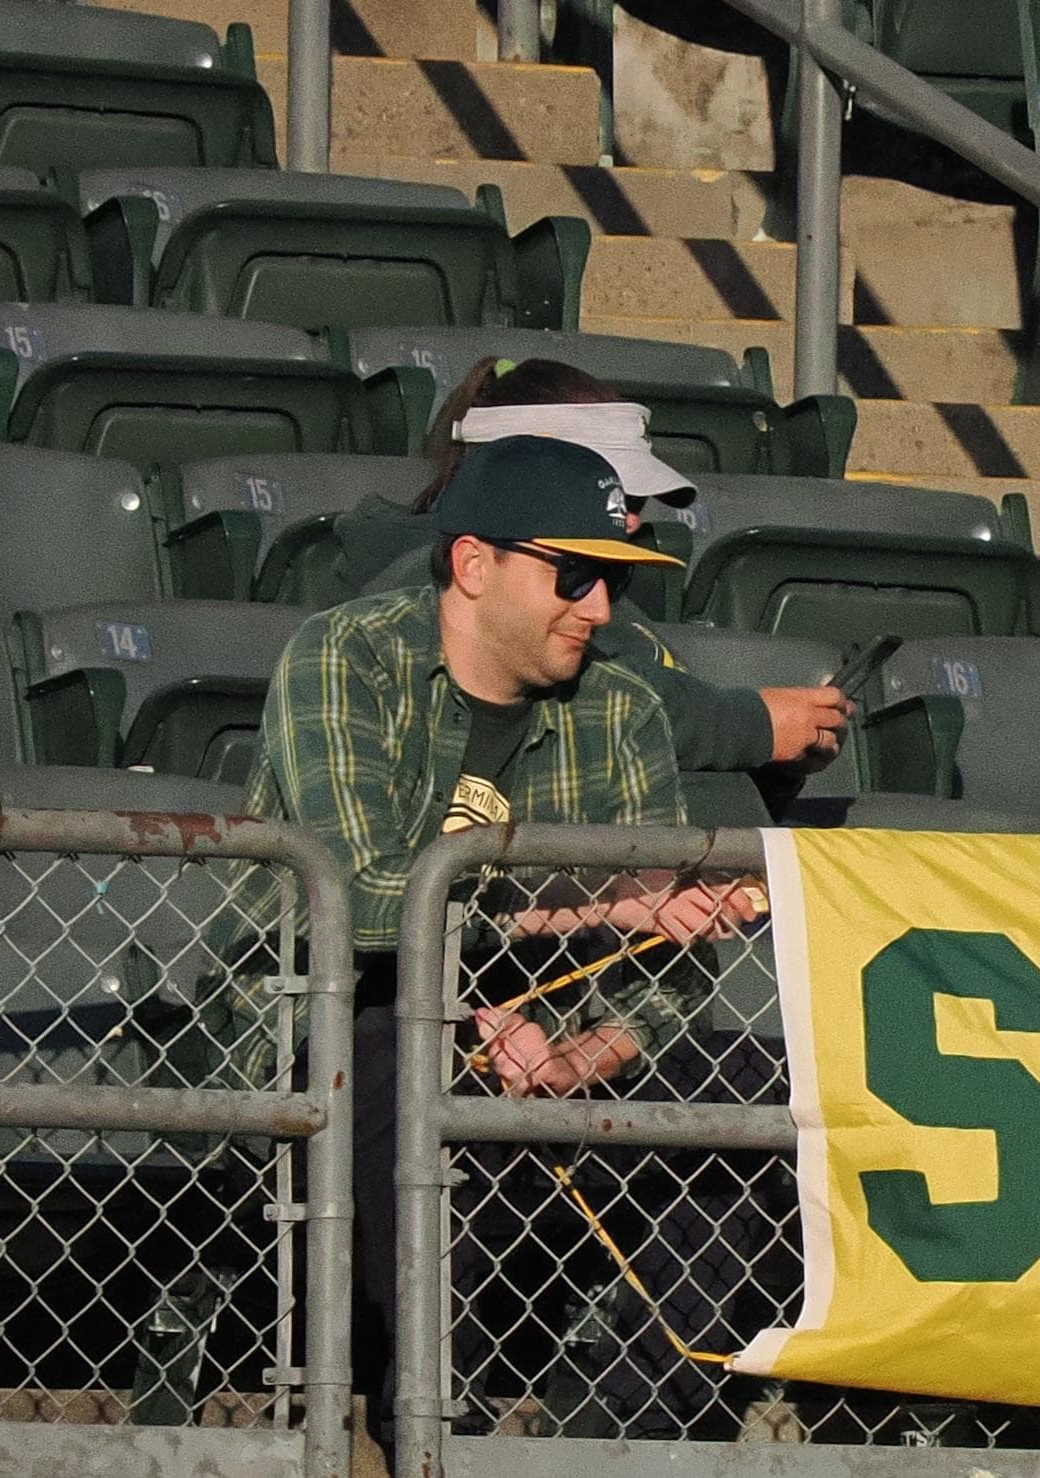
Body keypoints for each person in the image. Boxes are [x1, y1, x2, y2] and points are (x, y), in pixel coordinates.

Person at [240, 435, 772, 1446]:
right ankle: (440, 1430)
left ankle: (635, 1437)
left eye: (611, 577)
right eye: (573, 574)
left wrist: (587, 1050)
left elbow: (674, 970)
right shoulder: (346, 656)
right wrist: (595, 906)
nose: (601, 607)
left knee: (747, 1081)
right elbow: (361, 892)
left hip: (554, 1050)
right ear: (475, 564)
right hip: (342, 1029)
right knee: (417, 1063)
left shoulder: (618, 706)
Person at [332, 355, 849, 779]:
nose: (628, 518)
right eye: (610, 493)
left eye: (634, 497)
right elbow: (596, 706)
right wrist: (752, 726)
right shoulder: (423, 585)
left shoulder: (597, 589)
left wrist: (773, 761)